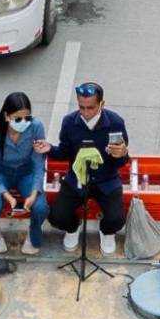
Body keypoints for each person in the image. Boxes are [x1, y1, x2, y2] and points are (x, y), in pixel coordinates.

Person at [37, 81, 129, 254]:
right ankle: (73, 227)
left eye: (91, 108)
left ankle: (106, 232)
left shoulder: (116, 122)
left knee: (117, 219)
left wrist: (122, 154)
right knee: (57, 217)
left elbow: (121, 161)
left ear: (102, 104)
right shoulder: (69, 122)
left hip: (106, 179)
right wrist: (49, 149)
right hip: (77, 180)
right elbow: (65, 152)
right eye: (81, 107)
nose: (86, 113)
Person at [0, 92, 50, 255]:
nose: (24, 122)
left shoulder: (36, 127)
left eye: (27, 118)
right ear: (6, 116)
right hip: (1, 174)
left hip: (26, 173)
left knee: (40, 207)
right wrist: (7, 195)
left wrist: (34, 193)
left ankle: (34, 230)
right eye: (18, 119)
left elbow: (38, 163)